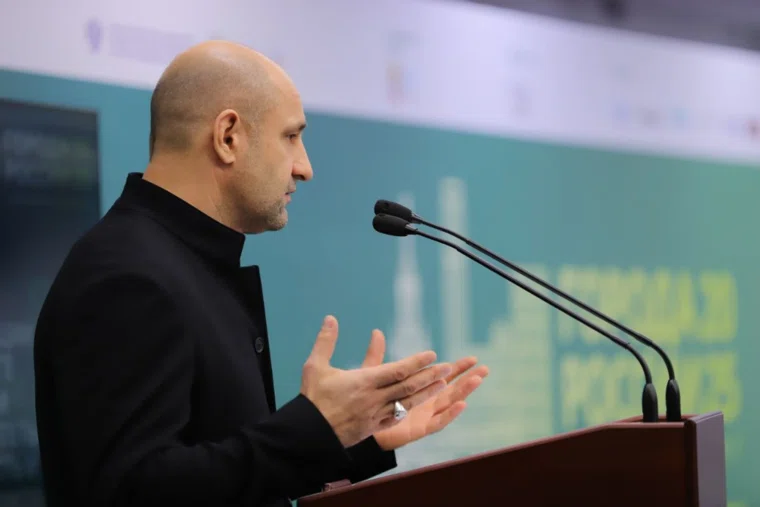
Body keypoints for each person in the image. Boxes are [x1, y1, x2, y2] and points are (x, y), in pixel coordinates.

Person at [32, 40, 489, 507]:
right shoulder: (128, 279)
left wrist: (351, 440)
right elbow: (133, 492)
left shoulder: (183, 265)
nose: (305, 168)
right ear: (228, 136)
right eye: (291, 136)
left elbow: (216, 466)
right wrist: (315, 429)